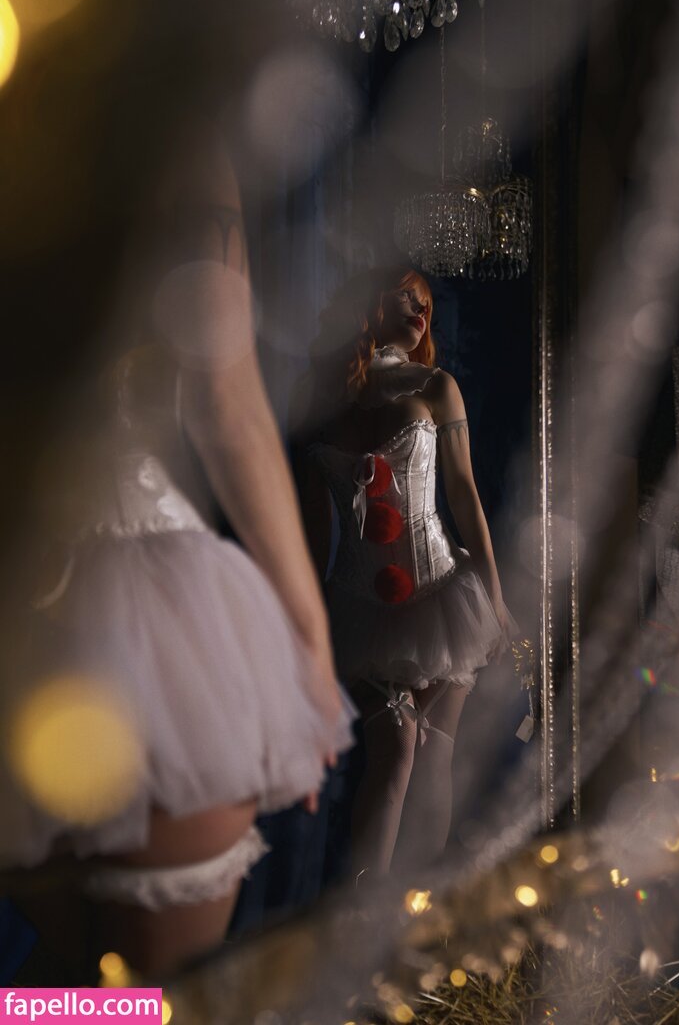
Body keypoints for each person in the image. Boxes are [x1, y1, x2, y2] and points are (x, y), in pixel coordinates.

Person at [1, 122, 354, 979]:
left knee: (66, 999)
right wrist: (308, 652)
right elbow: (227, 410)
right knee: (151, 1007)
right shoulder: (173, 132)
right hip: (149, 626)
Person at [294, 268, 512, 879]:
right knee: (394, 753)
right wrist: (308, 626)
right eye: (406, 298)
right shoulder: (318, 406)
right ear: (369, 304)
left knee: (432, 758)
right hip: (357, 609)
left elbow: (464, 496)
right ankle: (360, 920)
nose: (420, 311)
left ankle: (418, 916)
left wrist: (494, 599)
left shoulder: (437, 386)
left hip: (443, 598)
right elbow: (312, 535)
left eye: (426, 305)